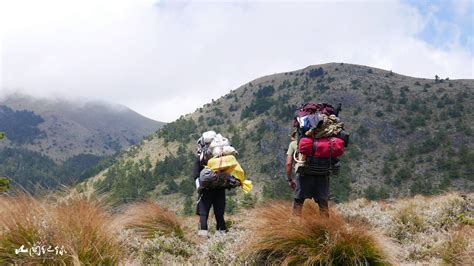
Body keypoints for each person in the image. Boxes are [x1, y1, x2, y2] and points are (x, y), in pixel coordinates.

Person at [287, 131, 330, 217]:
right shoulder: (326, 142)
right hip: (322, 175)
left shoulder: (294, 144)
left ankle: (294, 227)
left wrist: (290, 180)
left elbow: (288, 163)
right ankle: (326, 228)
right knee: (323, 205)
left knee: (298, 203)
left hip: (304, 175)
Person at [193, 135, 227, 237]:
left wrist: (200, 188)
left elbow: (195, 175)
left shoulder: (200, 158)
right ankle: (222, 239)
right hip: (220, 190)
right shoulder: (222, 157)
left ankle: (203, 239)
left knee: (203, 215)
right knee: (219, 215)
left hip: (206, 190)